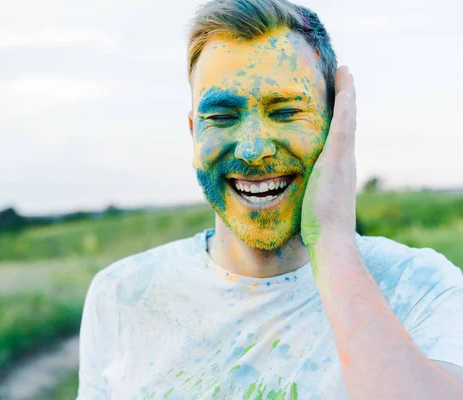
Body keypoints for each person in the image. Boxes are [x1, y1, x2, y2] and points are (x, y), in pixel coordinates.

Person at [77, 0, 463, 398]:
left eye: (286, 111)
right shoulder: (121, 295)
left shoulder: (422, 289)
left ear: (336, 124)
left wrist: (331, 240)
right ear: (194, 132)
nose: (253, 149)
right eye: (222, 116)